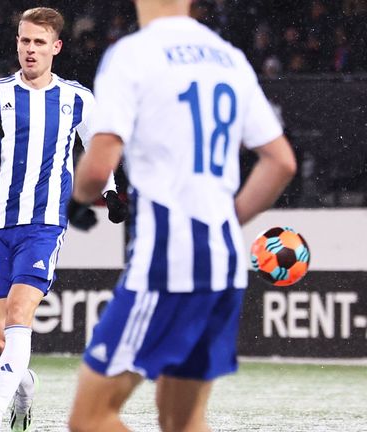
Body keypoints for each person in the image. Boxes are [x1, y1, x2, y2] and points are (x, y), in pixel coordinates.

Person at [67, 1, 297, 431]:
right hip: (224, 261)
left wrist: (76, 201)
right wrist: (225, 220)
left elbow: (99, 166)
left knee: (90, 418)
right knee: (183, 422)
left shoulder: (133, 53)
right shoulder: (229, 57)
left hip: (168, 260)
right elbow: (280, 162)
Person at [0, 7, 125, 432]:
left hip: (45, 224)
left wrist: (112, 192)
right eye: (24, 40)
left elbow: (98, 147)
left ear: (56, 47)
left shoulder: (76, 98)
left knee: (20, 311)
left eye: (39, 42)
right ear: (17, 43)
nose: (30, 49)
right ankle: (24, 392)